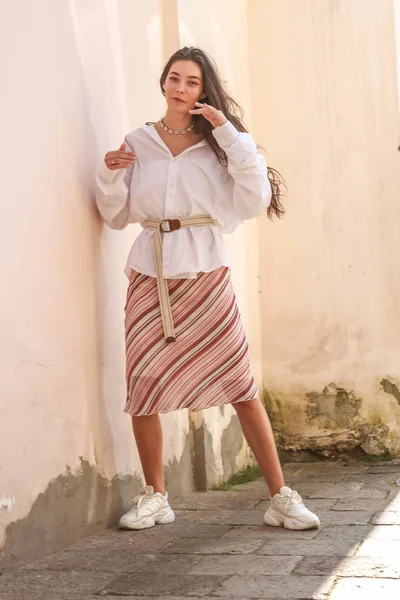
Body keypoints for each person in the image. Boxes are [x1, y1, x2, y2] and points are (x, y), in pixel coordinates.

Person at [95, 47, 320, 532]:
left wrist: (228, 133)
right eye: (174, 78)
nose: (180, 88)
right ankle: (156, 496)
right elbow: (115, 215)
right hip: (150, 276)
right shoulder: (138, 141)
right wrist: (112, 171)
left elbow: (254, 196)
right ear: (163, 83)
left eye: (191, 82)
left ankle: (281, 495)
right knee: (143, 386)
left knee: (240, 383)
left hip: (205, 271)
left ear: (204, 90)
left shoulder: (220, 143)